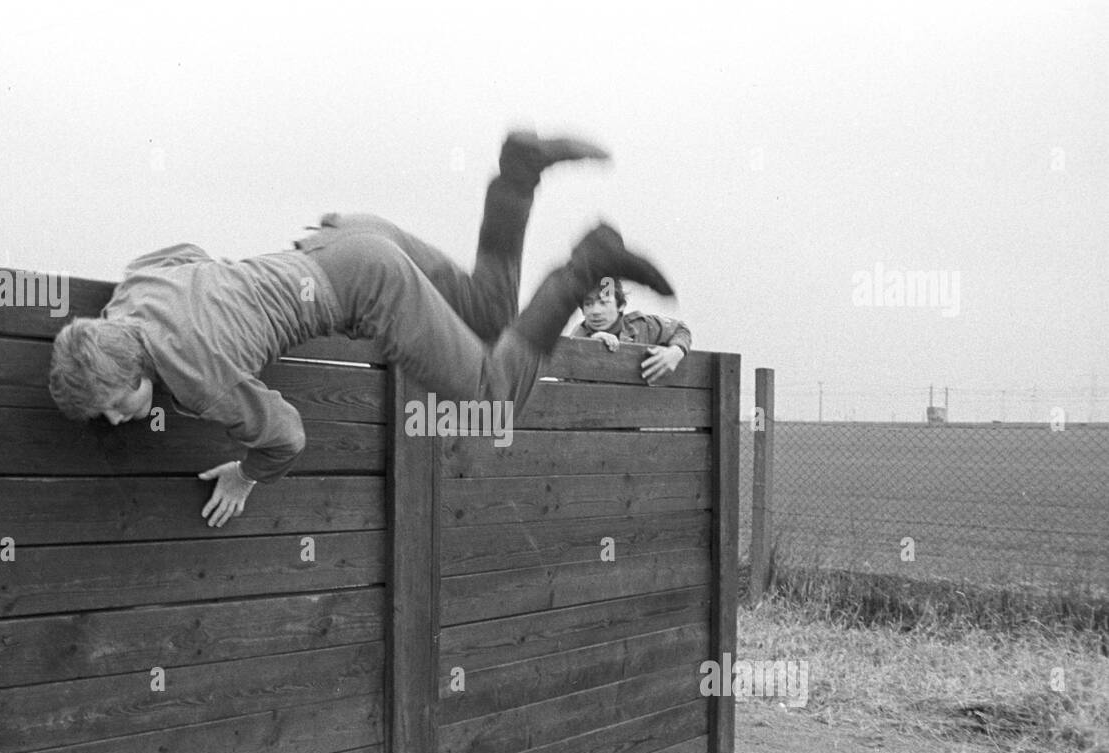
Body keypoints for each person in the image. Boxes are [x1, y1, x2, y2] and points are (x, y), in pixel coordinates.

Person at [48, 131, 673, 526]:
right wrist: (234, 302)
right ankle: (517, 174)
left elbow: (286, 435)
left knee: (494, 396)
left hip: (370, 286)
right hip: (346, 236)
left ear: (132, 369)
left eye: (114, 404)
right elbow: (188, 253)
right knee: (488, 314)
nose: (115, 420)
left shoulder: (197, 380)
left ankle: (585, 265)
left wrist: (245, 473)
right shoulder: (133, 290)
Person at [567, 277, 691, 384]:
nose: (595, 311)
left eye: (603, 303)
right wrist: (590, 346)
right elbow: (566, 383)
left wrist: (675, 352)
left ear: (621, 306)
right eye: (588, 304)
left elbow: (680, 329)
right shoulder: (577, 336)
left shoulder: (641, 326)